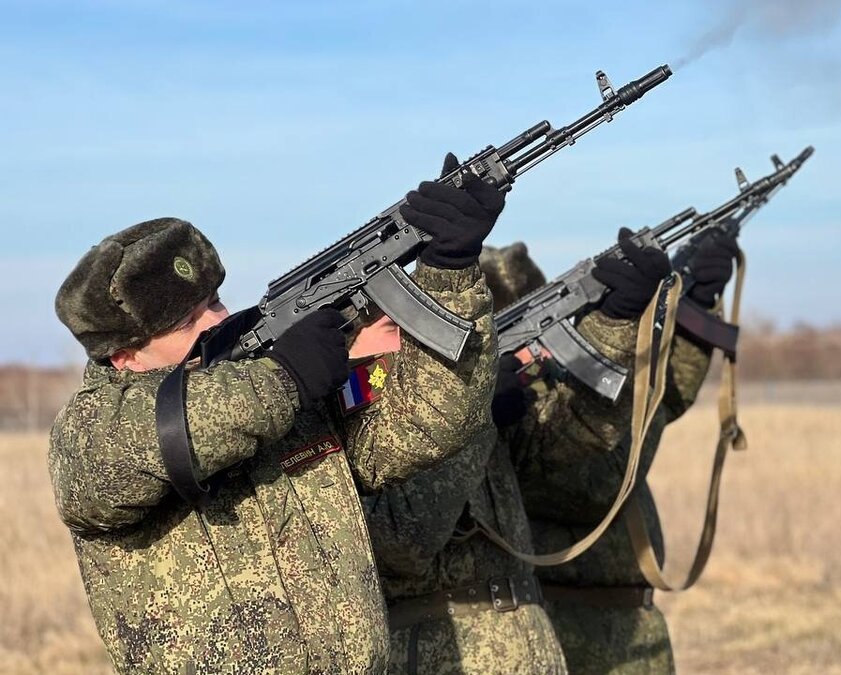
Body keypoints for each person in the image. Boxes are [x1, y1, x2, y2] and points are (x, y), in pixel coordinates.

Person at [48, 163, 500, 674]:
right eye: (187, 321)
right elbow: (164, 437)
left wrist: (449, 273)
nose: (218, 320)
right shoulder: (90, 431)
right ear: (126, 357)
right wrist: (287, 375)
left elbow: (423, 425)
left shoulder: (278, 400)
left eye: (215, 301)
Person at [353, 229, 677, 674]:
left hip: (529, 645)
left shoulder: (465, 406)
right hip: (444, 655)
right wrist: (475, 411)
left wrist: (615, 325)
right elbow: (403, 542)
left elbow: (575, 437)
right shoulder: (364, 412)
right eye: (396, 326)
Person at [509, 233, 740, 675]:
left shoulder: (558, 380)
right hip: (569, 625)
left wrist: (690, 308)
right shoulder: (515, 400)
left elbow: (659, 405)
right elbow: (597, 481)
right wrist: (615, 338)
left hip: (633, 621)